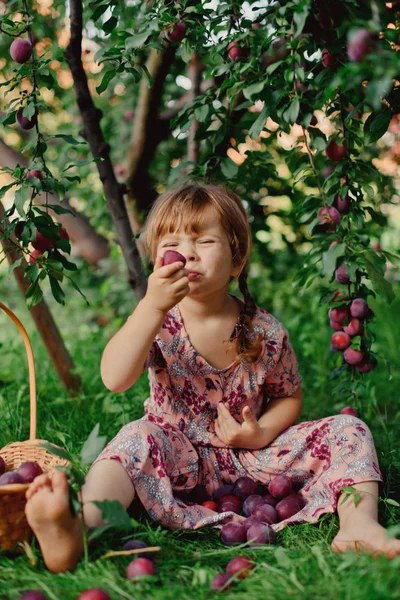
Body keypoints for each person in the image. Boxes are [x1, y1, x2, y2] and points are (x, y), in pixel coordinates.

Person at [25, 183, 400, 573]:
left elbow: (289, 396)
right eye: (173, 242)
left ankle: (359, 525)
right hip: (173, 456)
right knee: (133, 440)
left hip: (252, 461)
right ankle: (78, 524)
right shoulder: (158, 323)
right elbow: (114, 379)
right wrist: (149, 308)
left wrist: (260, 433)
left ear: (236, 259)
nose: (186, 252)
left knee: (348, 429)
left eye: (203, 240)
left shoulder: (265, 332)